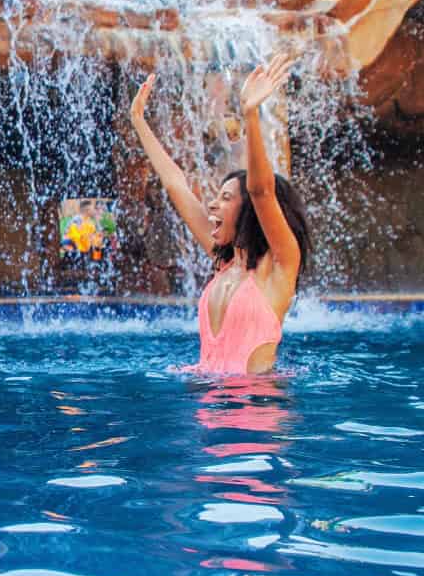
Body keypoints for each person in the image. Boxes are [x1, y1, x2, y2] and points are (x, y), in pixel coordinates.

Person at [130, 52, 311, 374]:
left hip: (257, 410)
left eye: (225, 198)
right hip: (210, 408)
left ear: (249, 211)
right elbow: (176, 184)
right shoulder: (224, 263)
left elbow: (261, 190)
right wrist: (139, 122)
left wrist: (251, 114)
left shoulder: (280, 266)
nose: (212, 205)